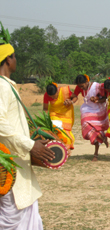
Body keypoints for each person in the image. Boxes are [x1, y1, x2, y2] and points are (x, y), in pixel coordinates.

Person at [0, 32, 54, 229]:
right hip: (10, 168)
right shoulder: (1, 87)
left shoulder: (7, 86)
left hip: (18, 165)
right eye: (15, 56)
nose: (16, 60)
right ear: (8, 59)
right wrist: (30, 145)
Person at [70, 74, 109, 161]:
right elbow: (75, 96)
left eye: (83, 86)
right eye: (80, 86)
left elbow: (105, 98)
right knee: (85, 123)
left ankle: (96, 154)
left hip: (98, 108)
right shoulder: (79, 87)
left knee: (96, 130)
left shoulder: (97, 86)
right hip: (87, 108)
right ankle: (103, 138)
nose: (81, 88)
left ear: (87, 82)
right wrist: (71, 100)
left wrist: (96, 99)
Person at [43, 82, 75, 155]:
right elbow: (45, 108)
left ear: (57, 91)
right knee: (56, 128)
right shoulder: (46, 95)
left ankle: (66, 148)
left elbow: (75, 97)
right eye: (51, 97)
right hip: (54, 113)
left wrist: (71, 101)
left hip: (66, 114)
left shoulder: (64, 91)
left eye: (54, 96)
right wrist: (45, 117)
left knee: (66, 133)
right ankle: (58, 149)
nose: (53, 98)